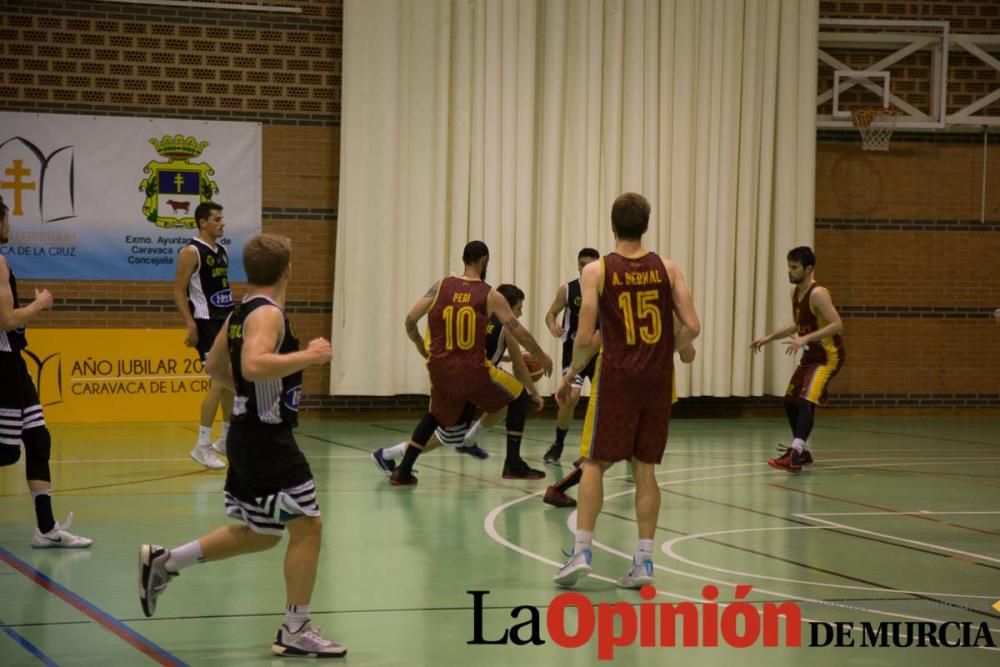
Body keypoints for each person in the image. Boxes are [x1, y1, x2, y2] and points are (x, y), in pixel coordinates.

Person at [139, 234, 345, 658]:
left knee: (262, 533)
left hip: (247, 434)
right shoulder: (267, 314)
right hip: (268, 440)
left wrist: (251, 393)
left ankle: (166, 562)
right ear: (288, 270)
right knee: (308, 527)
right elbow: (252, 364)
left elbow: (215, 366)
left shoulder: (239, 309)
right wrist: (308, 357)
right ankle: (295, 628)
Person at [553, 193, 700, 589]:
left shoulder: (597, 270)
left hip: (617, 377)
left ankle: (582, 549)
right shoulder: (668, 268)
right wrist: (662, 349)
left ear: (613, 225)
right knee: (645, 468)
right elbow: (693, 325)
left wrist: (572, 372)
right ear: (646, 225)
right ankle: (645, 561)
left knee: (595, 461)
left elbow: (584, 337)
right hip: (656, 380)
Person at [389, 241, 553, 485]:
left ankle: (403, 471)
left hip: (441, 369)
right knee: (518, 396)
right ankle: (513, 463)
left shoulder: (441, 286)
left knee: (435, 415)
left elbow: (410, 320)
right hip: (472, 369)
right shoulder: (489, 293)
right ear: (484, 260)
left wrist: (418, 344)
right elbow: (516, 330)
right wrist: (541, 354)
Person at [0, 195, 92, 549]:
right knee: (5, 452)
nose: (10, 224)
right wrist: (38, 305)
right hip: (3, 364)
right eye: (7, 216)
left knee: (39, 439)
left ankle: (46, 528)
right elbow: (6, 320)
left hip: (14, 363)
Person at [371, 284, 544, 473]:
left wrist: (501, 358)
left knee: (504, 404)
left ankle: (468, 440)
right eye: (519, 309)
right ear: (508, 307)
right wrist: (535, 393)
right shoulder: (508, 328)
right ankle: (387, 454)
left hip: (455, 377)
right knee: (444, 437)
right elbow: (519, 368)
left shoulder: (480, 318)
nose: (520, 314)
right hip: (466, 384)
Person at [543, 323, 696, 508]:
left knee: (621, 458)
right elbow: (689, 353)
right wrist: (661, 347)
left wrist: (570, 375)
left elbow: (592, 342)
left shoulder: (625, 304)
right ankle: (561, 491)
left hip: (630, 386)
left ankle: (564, 491)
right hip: (646, 388)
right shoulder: (663, 310)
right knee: (615, 460)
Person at [750, 246, 845, 473]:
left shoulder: (818, 293)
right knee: (790, 401)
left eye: (794, 267)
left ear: (809, 268)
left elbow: (837, 324)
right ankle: (802, 453)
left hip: (827, 357)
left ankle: (795, 453)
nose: (789, 272)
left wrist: (805, 338)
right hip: (811, 355)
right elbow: (796, 323)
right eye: (789, 267)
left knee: (805, 400)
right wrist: (768, 337)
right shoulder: (796, 293)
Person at [173, 201, 234, 470]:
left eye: (222, 218)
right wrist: (190, 324)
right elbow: (178, 290)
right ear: (202, 222)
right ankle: (202, 445)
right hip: (206, 323)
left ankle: (226, 441)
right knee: (219, 383)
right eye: (217, 219)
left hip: (225, 322)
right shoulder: (191, 252)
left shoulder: (222, 251)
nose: (222, 222)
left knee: (231, 381)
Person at [542, 248, 601, 464]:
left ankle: (609, 448)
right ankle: (558, 445)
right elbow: (550, 314)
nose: (586, 267)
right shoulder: (568, 289)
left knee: (608, 402)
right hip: (573, 352)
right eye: (582, 264)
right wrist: (552, 325)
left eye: (590, 264)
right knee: (570, 398)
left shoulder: (607, 289)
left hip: (600, 354)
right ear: (578, 266)